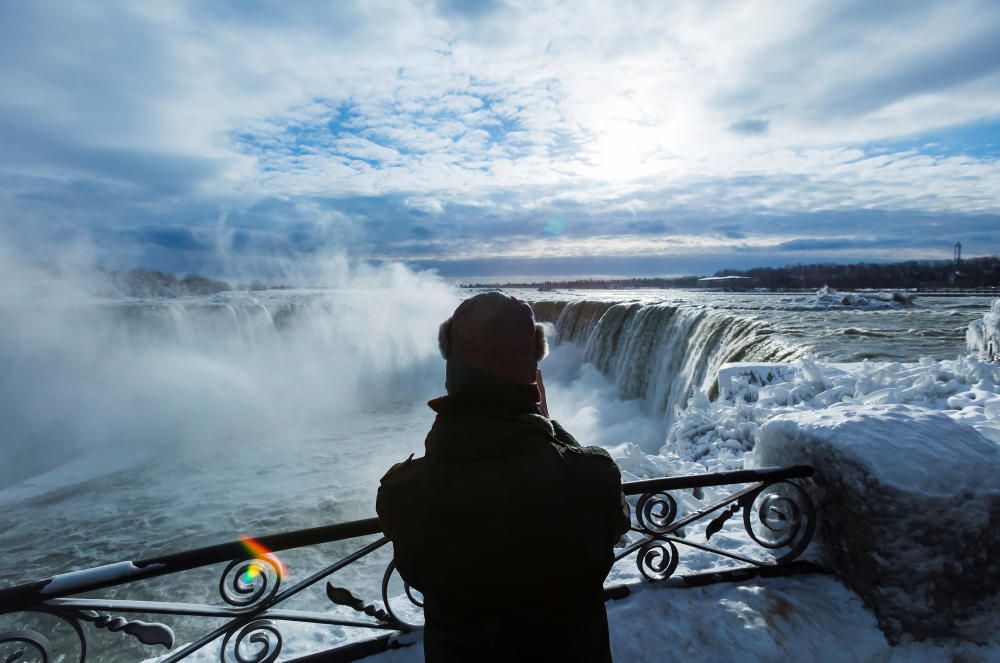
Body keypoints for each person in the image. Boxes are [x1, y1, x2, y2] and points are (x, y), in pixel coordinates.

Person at [376, 291, 631, 662]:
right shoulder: (592, 478)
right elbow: (614, 527)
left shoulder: (404, 495)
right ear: (531, 375)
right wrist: (548, 425)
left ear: (453, 371)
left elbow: (417, 573)